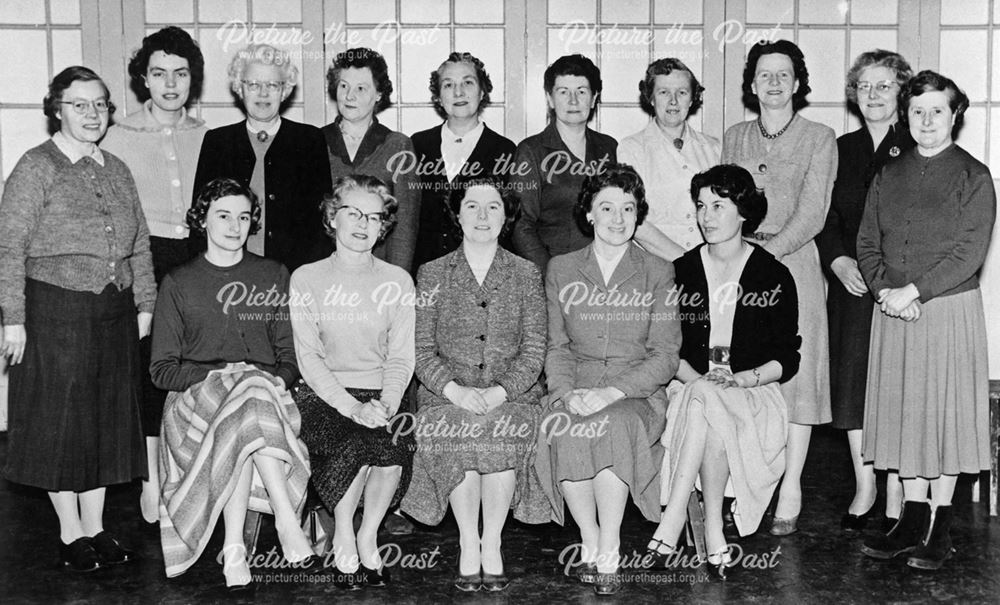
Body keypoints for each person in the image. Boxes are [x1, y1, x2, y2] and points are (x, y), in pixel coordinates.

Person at [0, 66, 152, 572]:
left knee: (105, 421)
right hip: (54, 309)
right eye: (80, 104)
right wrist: (12, 319)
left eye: (101, 104)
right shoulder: (36, 166)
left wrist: (145, 303)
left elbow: (140, 246)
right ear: (57, 109)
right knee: (62, 422)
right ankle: (70, 532)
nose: (92, 114)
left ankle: (97, 527)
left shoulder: (116, 167)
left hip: (112, 310)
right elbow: (8, 247)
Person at [857, 71, 996, 571]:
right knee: (904, 415)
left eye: (937, 110)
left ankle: (941, 524)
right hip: (893, 310)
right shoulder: (888, 174)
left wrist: (914, 291)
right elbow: (867, 242)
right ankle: (911, 518)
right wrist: (884, 291)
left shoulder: (973, 176)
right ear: (905, 116)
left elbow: (969, 253)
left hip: (946, 312)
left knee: (942, 417)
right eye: (917, 111)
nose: (927, 121)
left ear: (954, 114)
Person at [152, 178, 311, 588]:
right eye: (223, 215)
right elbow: (162, 370)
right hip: (195, 401)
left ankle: (235, 547)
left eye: (243, 216)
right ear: (202, 220)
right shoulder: (178, 282)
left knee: (249, 395)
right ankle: (287, 522)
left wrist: (260, 379)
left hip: (261, 398)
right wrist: (216, 374)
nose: (234, 225)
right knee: (243, 396)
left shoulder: (272, 273)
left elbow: (289, 361)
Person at [647, 164, 800, 580]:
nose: (707, 216)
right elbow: (664, 347)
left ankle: (673, 517)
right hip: (687, 386)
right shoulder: (681, 271)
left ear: (744, 212)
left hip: (751, 391)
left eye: (719, 205)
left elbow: (787, 357)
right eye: (701, 206)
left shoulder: (773, 274)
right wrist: (696, 379)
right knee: (704, 401)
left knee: (710, 403)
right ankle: (714, 528)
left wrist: (741, 378)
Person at [535, 164, 681, 595]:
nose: (618, 219)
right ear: (590, 215)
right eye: (607, 208)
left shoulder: (658, 270)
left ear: (639, 215)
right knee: (562, 425)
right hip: (576, 386)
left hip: (634, 394)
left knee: (613, 425)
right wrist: (564, 394)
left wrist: (611, 392)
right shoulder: (561, 269)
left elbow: (666, 354)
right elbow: (557, 347)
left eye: (628, 208)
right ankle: (590, 537)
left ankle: (611, 544)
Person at [400, 179, 550, 592]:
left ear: (507, 216)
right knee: (459, 430)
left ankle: (493, 541)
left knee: (503, 429)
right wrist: (456, 392)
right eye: (472, 206)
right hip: (447, 394)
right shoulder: (431, 273)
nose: (482, 216)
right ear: (458, 213)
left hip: (511, 393)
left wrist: (500, 391)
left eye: (493, 207)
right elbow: (421, 348)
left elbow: (535, 349)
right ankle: (469, 540)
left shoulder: (525, 273)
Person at [721, 40, 837, 534]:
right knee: (745, 372)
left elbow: (813, 212)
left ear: (797, 82)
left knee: (798, 377)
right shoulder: (735, 136)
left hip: (795, 267)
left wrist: (766, 254)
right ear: (751, 84)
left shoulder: (820, 136)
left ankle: (791, 486)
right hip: (740, 266)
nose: (773, 83)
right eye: (763, 75)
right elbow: (725, 200)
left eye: (782, 74)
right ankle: (749, 484)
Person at [101, 25, 208, 527]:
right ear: (143, 78)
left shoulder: (207, 134)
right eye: (159, 73)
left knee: (195, 366)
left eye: (181, 73)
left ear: (193, 79)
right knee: (149, 369)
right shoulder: (117, 135)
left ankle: (195, 476)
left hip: (198, 256)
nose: (170, 84)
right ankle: (151, 482)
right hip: (143, 258)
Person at [289, 175, 416, 590]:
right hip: (323, 395)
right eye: (353, 213)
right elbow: (308, 359)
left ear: (384, 226)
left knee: (393, 440)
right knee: (352, 439)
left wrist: (388, 403)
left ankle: (368, 533)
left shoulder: (398, 281)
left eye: (374, 217)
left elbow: (401, 357)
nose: (363, 224)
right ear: (332, 216)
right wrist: (352, 407)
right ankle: (344, 527)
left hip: (380, 394)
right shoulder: (306, 278)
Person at [816, 49, 914, 532]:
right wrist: (835, 260)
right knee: (852, 383)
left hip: (898, 285)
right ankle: (865, 483)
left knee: (895, 383)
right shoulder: (841, 147)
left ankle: (897, 487)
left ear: (902, 92)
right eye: (865, 87)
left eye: (884, 86)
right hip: (851, 284)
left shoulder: (917, 144)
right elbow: (825, 216)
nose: (873, 95)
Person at [193, 43, 331, 272]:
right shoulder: (217, 142)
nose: (263, 93)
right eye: (254, 84)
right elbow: (200, 219)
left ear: (285, 90)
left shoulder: (309, 141)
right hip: (227, 272)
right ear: (240, 87)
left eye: (273, 85)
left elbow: (322, 223)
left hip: (293, 273)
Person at [511, 54, 618, 271]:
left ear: (594, 97)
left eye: (581, 91)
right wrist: (552, 274)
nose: (573, 100)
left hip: (605, 270)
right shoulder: (531, 151)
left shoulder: (609, 147)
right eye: (563, 92)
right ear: (550, 98)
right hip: (552, 273)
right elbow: (521, 226)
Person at [411, 52, 516, 270]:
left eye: (468, 82)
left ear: (482, 92)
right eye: (448, 85)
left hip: (483, 271)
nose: (459, 92)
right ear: (438, 97)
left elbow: (509, 224)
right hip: (426, 270)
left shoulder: (504, 150)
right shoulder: (417, 145)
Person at [321, 47, 420, 273]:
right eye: (344, 86)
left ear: (378, 94)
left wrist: (397, 281)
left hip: (380, 274)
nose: (349, 96)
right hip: (326, 273)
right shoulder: (315, 141)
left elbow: (405, 225)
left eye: (361, 88)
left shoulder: (398, 145)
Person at [618, 58, 721, 261]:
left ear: (692, 99)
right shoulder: (632, 148)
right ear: (651, 98)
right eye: (664, 92)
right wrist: (685, 260)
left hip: (710, 263)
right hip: (654, 265)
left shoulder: (713, 148)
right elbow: (632, 217)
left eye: (682, 93)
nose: (673, 101)